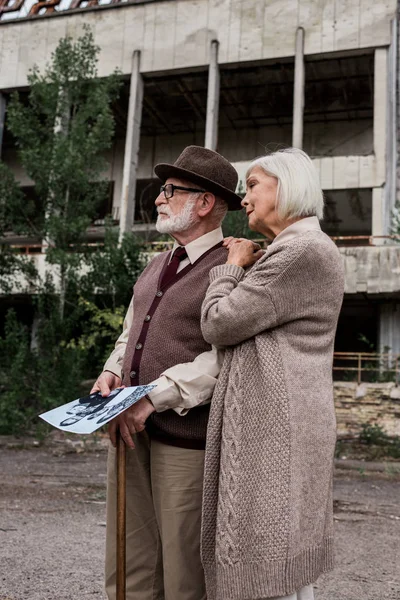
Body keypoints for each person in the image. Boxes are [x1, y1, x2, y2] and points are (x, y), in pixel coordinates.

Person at [90, 146, 247, 600]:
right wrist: (110, 372)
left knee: (182, 566)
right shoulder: (157, 263)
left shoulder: (232, 265)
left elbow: (225, 357)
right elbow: (129, 331)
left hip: (185, 439)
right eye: (162, 189)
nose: (158, 198)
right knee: (129, 554)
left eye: (170, 190)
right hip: (127, 427)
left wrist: (152, 398)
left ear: (203, 203)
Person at [200, 147, 345, 600]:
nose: (245, 199)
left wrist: (229, 268)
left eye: (254, 186)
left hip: (276, 428)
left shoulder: (300, 252)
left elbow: (219, 323)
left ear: (289, 186)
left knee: (268, 563)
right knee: (282, 562)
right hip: (284, 420)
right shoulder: (297, 249)